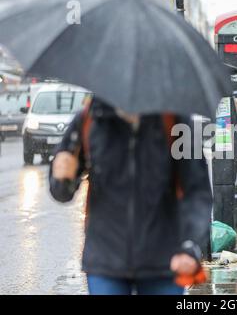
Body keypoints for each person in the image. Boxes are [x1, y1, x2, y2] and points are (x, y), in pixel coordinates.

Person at [49, 97, 212, 295]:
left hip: (164, 260)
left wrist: (190, 244)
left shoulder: (175, 121)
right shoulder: (90, 119)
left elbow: (197, 191)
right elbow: (61, 193)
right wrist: (62, 178)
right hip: (105, 259)